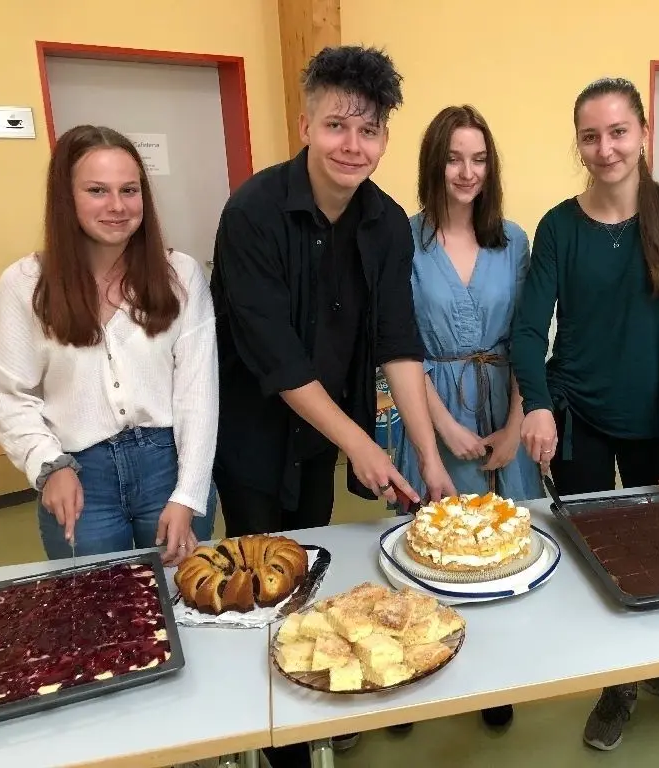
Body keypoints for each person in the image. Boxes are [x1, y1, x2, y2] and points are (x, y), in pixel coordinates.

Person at [208, 46, 455, 764]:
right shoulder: (253, 212)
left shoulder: (383, 222)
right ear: (305, 123)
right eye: (338, 125)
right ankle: (272, 738)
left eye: (370, 130)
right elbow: (277, 359)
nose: (354, 144)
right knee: (261, 585)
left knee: (308, 574)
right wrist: (363, 443)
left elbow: (398, 344)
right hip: (254, 438)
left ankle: (310, 700)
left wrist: (428, 460)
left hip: (319, 440)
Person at [510, 77, 659, 751]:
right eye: (591, 136)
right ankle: (615, 683)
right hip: (580, 417)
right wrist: (537, 404)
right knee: (598, 557)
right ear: (579, 144)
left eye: (618, 131)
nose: (606, 148)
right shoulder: (560, 226)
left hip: (656, 420)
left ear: (643, 134)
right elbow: (529, 330)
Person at [0, 125, 217, 565]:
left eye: (129, 190)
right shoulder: (26, 284)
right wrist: (48, 464)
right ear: (66, 199)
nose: (118, 206)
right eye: (97, 191)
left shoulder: (180, 275)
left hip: (168, 465)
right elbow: (6, 393)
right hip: (81, 476)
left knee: (183, 601)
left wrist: (189, 494)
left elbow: (198, 395)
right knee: (97, 614)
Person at [396, 104, 543, 730]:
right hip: (430, 408)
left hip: (501, 398)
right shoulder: (402, 240)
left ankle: (495, 679)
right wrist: (444, 428)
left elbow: (526, 338)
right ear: (434, 162)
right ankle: (410, 666)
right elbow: (396, 345)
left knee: (500, 550)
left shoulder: (513, 240)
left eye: (479, 158)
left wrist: (515, 424)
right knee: (430, 551)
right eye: (454, 157)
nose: (467, 171)